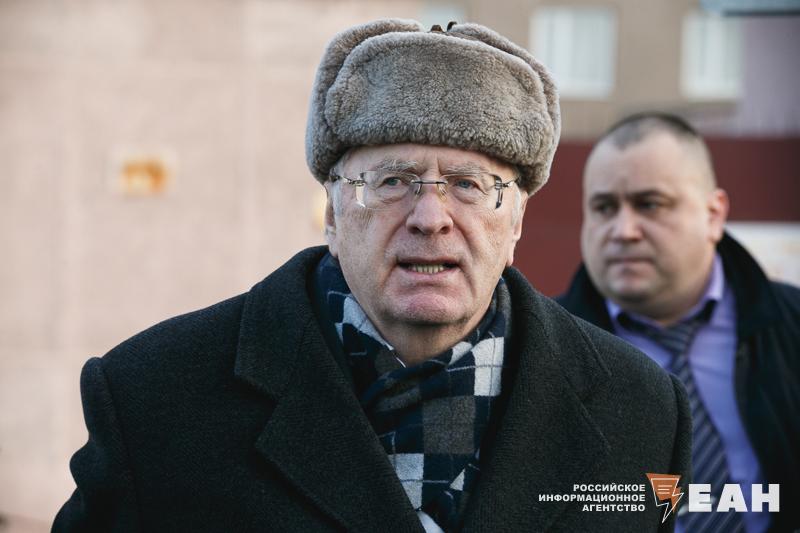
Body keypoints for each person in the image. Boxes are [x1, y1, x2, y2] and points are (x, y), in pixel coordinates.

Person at [54, 21, 690, 532]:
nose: (430, 218)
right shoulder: (152, 399)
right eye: (391, 182)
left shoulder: (641, 410)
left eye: (469, 185)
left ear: (516, 219)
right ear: (333, 212)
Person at [558, 112, 800, 533]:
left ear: (714, 215)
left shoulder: (790, 325)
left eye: (649, 204)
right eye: (604, 207)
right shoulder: (541, 349)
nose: (623, 230)